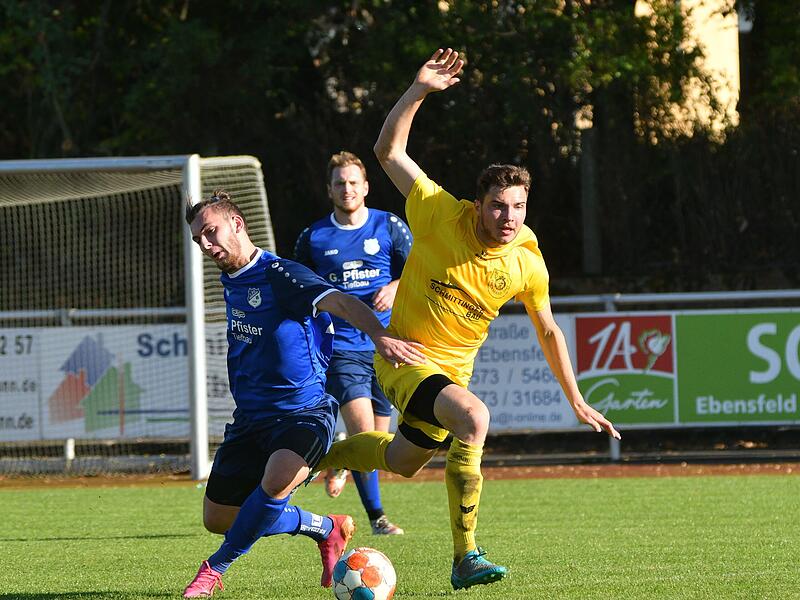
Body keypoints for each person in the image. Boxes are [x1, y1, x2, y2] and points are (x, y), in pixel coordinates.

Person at [313, 48, 621, 591]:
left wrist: (575, 399)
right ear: (477, 204)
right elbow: (387, 151)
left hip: (451, 373)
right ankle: (466, 556)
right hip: (404, 359)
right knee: (475, 418)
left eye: (518, 207)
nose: (508, 217)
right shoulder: (438, 213)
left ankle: (318, 454)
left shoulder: (526, 260)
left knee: (403, 460)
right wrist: (419, 90)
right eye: (498, 205)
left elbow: (549, 329)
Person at [181, 190, 425, 598]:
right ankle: (326, 528)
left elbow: (341, 302)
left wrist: (380, 335)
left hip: (304, 413)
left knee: (275, 483)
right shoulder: (232, 278)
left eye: (210, 232)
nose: (205, 244)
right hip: (250, 419)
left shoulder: (282, 274)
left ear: (237, 224)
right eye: (198, 239)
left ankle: (214, 568)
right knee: (218, 518)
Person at [294, 150, 412, 536]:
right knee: (366, 435)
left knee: (380, 444)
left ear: (366, 187)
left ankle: (340, 457)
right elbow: (299, 290)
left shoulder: (389, 226)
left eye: (353, 182)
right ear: (329, 190)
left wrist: (396, 286)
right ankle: (378, 518)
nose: (347, 189)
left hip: (386, 345)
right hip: (341, 348)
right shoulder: (313, 237)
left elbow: (420, 270)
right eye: (339, 183)